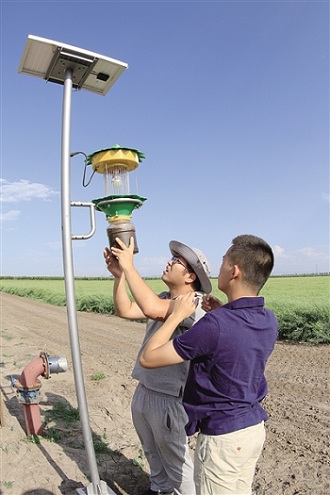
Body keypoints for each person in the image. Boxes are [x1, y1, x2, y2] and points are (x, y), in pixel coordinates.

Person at [139, 234, 278, 495]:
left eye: (225, 261)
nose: (221, 266)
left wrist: (176, 316)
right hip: (252, 431)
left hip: (222, 438)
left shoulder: (215, 326)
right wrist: (222, 310)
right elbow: (237, 337)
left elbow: (149, 358)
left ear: (234, 272)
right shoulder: (267, 319)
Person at [104, 237, 212, 495]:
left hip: (168, 398)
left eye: (176, 261)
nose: (169, 262)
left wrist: (130, 267)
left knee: (178, 465)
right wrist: (120, 276)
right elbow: (126, 309)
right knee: (154, 457)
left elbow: (152, 308)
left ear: (190, 277)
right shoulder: (166, 299)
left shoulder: (192, 303)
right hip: (146, 390)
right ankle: (158, 490)